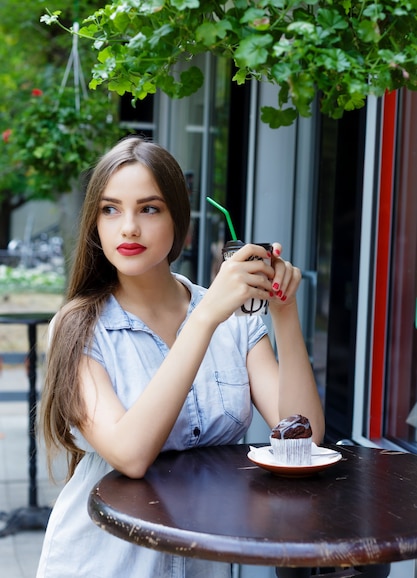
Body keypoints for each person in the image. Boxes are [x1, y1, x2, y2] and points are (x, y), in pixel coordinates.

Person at [37, 135, 325, 578]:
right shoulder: (78, 328)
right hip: (102, 561)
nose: (128, 227)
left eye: (149, 208)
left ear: (181, 224)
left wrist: (284, 313)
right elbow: (130, 455)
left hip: (201, 565)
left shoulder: (235, 321)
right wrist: (205, 317)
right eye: (110, 209)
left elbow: (304, 442)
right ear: (94, 223)